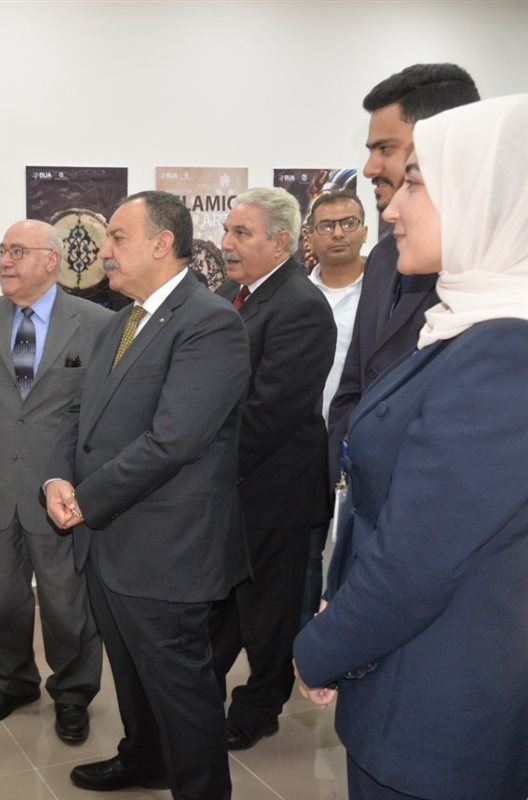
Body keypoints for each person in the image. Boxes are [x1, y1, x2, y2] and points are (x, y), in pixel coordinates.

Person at [294, 94, 528, 800]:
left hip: (437, 716)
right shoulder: (467, 325)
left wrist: (321, 647)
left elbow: (418, 559)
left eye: (417, 184)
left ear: (484, 198)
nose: (392, 208)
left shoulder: (504, 353)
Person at [43, 191, 250, 798]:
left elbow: (174, 441)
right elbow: (79, 416)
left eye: (117, 237)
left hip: (167, 549)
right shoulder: (121, 320)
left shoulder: (210, 322)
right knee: (131, 673)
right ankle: (143, 760)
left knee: (182, 692)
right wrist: (56, 479)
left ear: (162, 243)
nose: (103, 251)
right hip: (109, 541)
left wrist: (85, 499)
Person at [0, 220, 109, 742]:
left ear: (51, 260)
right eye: (2, 251)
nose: (5, 260)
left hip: (60, 487)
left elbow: (98, 408)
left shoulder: (96, 322)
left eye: (18, 251)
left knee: (65, 598)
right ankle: (14, 679)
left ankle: (73, 691)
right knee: (3, 594)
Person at [210, 187, 335, 750]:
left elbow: (269, 414)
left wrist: (201, 462)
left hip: (277, 493)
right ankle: (199, 697)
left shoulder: (301, 307)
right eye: (227, 230)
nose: (226, 243)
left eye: (241, 233)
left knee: (271, 615)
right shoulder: (231, 296)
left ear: (281, 242)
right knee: (227, 606)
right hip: (232, 487)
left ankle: (259, 710)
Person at [326, 64, 479, 487]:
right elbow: (357, 380)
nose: (369, 168)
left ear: (442, 144)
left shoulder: (488, 269)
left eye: (385, 149)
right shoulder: (382, 256)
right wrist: (344, 474)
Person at [302, 190, 368, 627]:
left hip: (358, 442)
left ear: (364, 230)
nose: (338, 233)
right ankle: (307, 641)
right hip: (302, 446)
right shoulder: (295, 293)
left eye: (348, 223)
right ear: (310, 235)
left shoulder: (387, 292)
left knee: (354, 552)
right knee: (307, 555)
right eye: (326, 225)